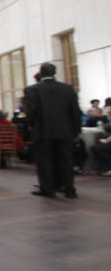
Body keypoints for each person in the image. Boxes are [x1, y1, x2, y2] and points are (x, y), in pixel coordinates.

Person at [23, 62, 82, 199]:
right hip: (65, 131)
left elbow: (30, 112)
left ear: (41, 73)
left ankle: (48, 189)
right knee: (66, 160)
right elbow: (75, 112)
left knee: (44, 160)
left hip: (43, 131)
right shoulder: (67, 88)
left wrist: (32, 126)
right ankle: (69, 189)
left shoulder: (32, 90)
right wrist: (77, 130)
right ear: (54, 73)